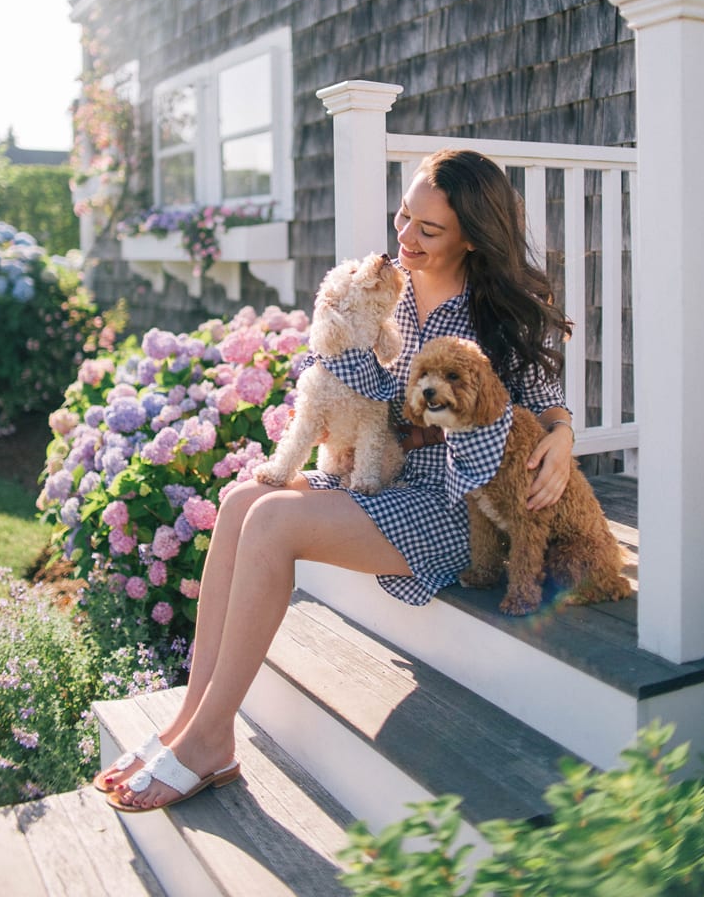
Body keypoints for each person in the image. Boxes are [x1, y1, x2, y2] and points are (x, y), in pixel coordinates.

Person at [98, 148, 574, 811]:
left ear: (472, 235)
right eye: (403, 217)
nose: (404, 238)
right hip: (381, 474)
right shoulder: (392, 293)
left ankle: (209, 740)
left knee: (271, 521)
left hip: (456, 502)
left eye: (427, 231)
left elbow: (547, 400)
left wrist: (563, 435)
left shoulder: (496, 310)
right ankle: (187, 722)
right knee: (241, 498)